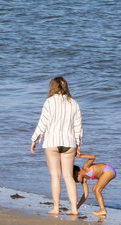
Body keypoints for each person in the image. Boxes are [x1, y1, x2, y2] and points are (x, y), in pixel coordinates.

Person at [29, 76, 84, 217]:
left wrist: (34, 139)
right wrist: (78, 144)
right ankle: (74, 208)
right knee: (68, 176)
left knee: (55, 176)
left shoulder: (49, 102)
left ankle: (56, 208)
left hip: (52, 142)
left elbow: (43, 122)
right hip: (69, 143)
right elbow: (78, 126)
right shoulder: (74, 103)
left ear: (52, 87)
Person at [74, 153, 117, 217]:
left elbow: (93, 157)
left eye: (75, 179)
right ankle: (102, 209)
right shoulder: (83, 180)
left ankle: (102, 210)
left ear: (76, 173)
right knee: (94, 189)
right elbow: (85, 194)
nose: (76, 181)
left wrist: (80, 156)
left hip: (108, 170)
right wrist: (76, 207)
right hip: (105, 173)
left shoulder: (85, 167)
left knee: (97, 190)